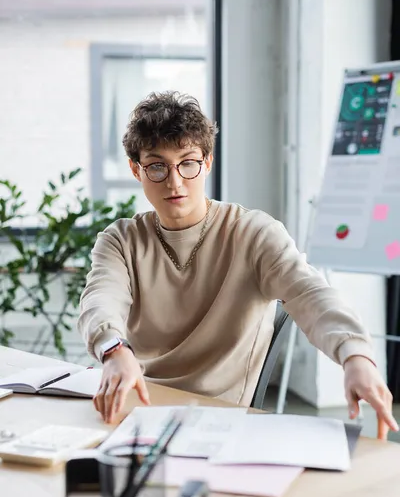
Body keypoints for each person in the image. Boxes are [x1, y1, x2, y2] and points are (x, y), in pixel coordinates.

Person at [78, 91, 398, 439]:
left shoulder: (253, 233)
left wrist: (356, 356)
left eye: (188, 162)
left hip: (221, 422)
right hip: (138, 409)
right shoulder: (121, 239)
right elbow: (100, 300)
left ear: (208, 162)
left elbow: (311, 294)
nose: (175, 181)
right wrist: (113, 349)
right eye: (157, 166)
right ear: (136, 169)